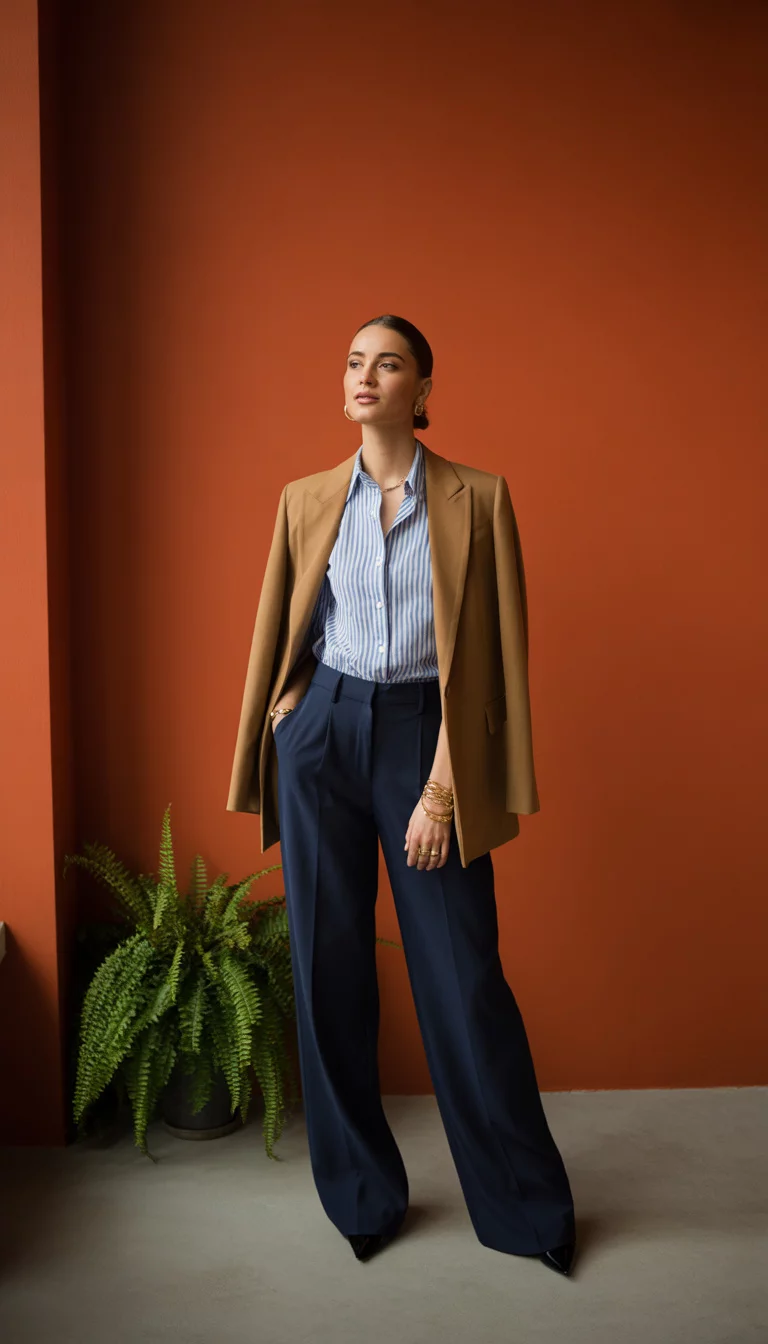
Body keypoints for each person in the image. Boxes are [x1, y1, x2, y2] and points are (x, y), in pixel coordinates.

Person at [226, 314, 577, 1275]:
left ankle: (527, 1211)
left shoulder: (478, 497)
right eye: (354, 361)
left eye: (387, 363)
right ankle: (360, 1198)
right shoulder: (308, 497)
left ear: (422, 389)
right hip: (324, 738)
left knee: (463, 980)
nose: (365, 376)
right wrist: (294, 705)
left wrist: (444, 791)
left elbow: (491, 660)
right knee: (326, 970)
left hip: (428, 735)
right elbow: (293, 619)